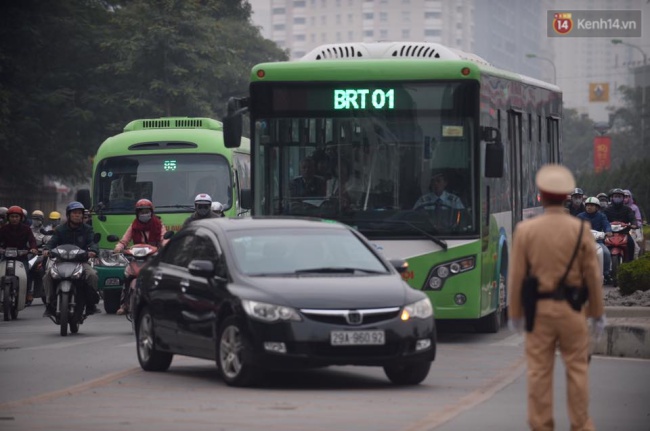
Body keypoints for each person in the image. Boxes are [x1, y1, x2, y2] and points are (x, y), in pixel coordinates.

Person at [507, 164, 605, 431]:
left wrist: (514, 314)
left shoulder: (526, 230)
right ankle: (581, 425)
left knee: (539, 372)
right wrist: (597, 314)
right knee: (577, 370)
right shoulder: (581, 230)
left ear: (541, 193)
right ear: (566, 196)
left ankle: (541, 426)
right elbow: (593, 277)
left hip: (538, 313)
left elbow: (516, 277)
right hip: (573, 311)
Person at [42, 201, 100, 317]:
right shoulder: (60, 229)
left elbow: (92, 242)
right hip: (61, 261)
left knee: (93, 275)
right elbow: (52, 242)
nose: (77, 215)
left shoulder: (87, 229)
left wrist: (93, 251)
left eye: (79, 213)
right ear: (68, 215)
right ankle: (49, 304)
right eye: (74, 213)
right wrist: (47, 249)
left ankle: (91, 305)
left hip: (81, 261)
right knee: (47, 276)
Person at [113, 199, 168, 315]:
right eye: (141, 212)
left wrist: (166, 246)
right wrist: (119, 247)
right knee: (127, 275)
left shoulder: (159, 225)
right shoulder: (133, 226)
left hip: (154, 258)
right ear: (137, 214)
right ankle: (124, 304)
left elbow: (164, 239)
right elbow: (124, 240)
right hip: (137, 258)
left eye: (146, 211)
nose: (144, 214)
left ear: (151, 212)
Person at [0, 206, 39, 302]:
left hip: (21, 257)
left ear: (21, 218)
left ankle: (28, 291)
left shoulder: (26, 229)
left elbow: (32, 240)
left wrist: (33, 248)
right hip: (6, 256)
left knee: (26, 273)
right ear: (8, 217)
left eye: (16, 217)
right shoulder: (3, 229)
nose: (14, 219)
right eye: (12, 216)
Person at [577, 197, 613, 284]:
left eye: (592, 205)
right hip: (583, 241)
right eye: (587, 205)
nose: (589, 207)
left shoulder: (601, 216)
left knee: (606, 253)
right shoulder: (580, 216)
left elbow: (606, 224)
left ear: (597, 207)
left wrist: (608, 231)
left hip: (598, 241)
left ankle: (606, 273)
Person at [603, 188, 637, 262]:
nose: (617, 198)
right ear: (612, 198)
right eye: (615, 196)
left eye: (619, 196)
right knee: (601, 244)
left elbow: (632, 218)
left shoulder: (627, 209)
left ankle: (630, 262)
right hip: (610, 233)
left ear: (623, 198)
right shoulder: (607, 209)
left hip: (624, 232)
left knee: (631, 243)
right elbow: (603, 219)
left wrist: (634, 224)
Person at [623, 189, 644, 257]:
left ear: (630, 197)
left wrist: (635, 224)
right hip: (620, 228)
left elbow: (638, 219)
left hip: (632, 228)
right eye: (623, 196)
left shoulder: (635, 208)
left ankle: (634, 261)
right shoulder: (619, 207)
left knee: (635, 246)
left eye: (626, 196)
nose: (625, 198)